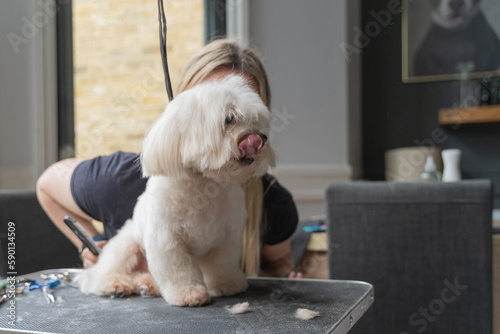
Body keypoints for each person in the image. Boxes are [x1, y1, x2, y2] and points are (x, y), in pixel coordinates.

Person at [36, 38, 301, 279]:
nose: (245, 135)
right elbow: (47, 184)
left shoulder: (272, 200)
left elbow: (278, 266)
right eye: (225, 118)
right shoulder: (121, 178)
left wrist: (288, 279)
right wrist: (91, 244)